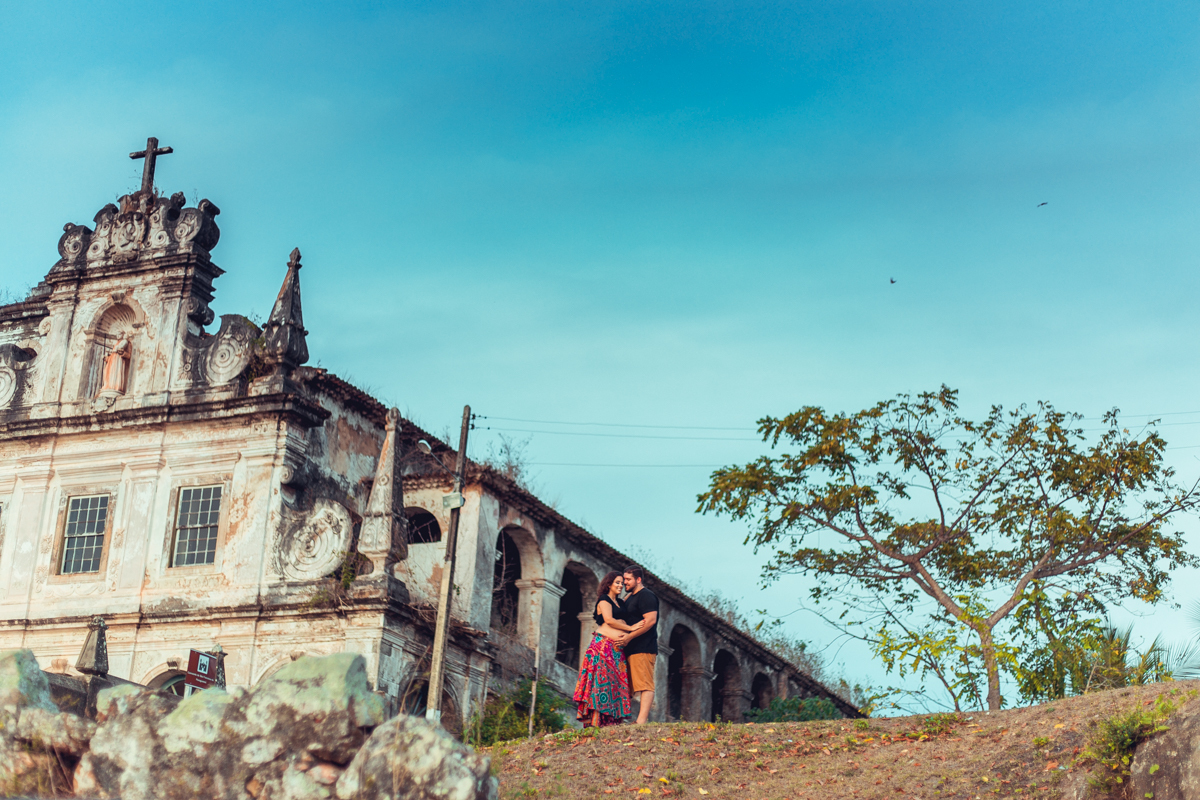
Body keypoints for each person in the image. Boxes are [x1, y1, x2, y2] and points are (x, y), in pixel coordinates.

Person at [573, 571, 644, 727]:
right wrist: (631, 628)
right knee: (600, 683)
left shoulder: (621, 602)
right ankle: (595, 722)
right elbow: (610, 620)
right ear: (609, 584)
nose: (620, 585)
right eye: (617, 583)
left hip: (617, 650)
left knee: (614, 684)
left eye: (621, 583)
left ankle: (610, 723)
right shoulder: (603, 600)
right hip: (602, 647)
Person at [616, 565, 659, 724]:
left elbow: (650, 621)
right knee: (628, 687)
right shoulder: (629, 598)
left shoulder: (646, 596)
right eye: (624, 579)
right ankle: (620, 719)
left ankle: (641, 721)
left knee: (645, 684)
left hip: (643, 647)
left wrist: (629, 637)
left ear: (638, 580)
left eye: (628, 579)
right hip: (629, 649)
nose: (624, 582)